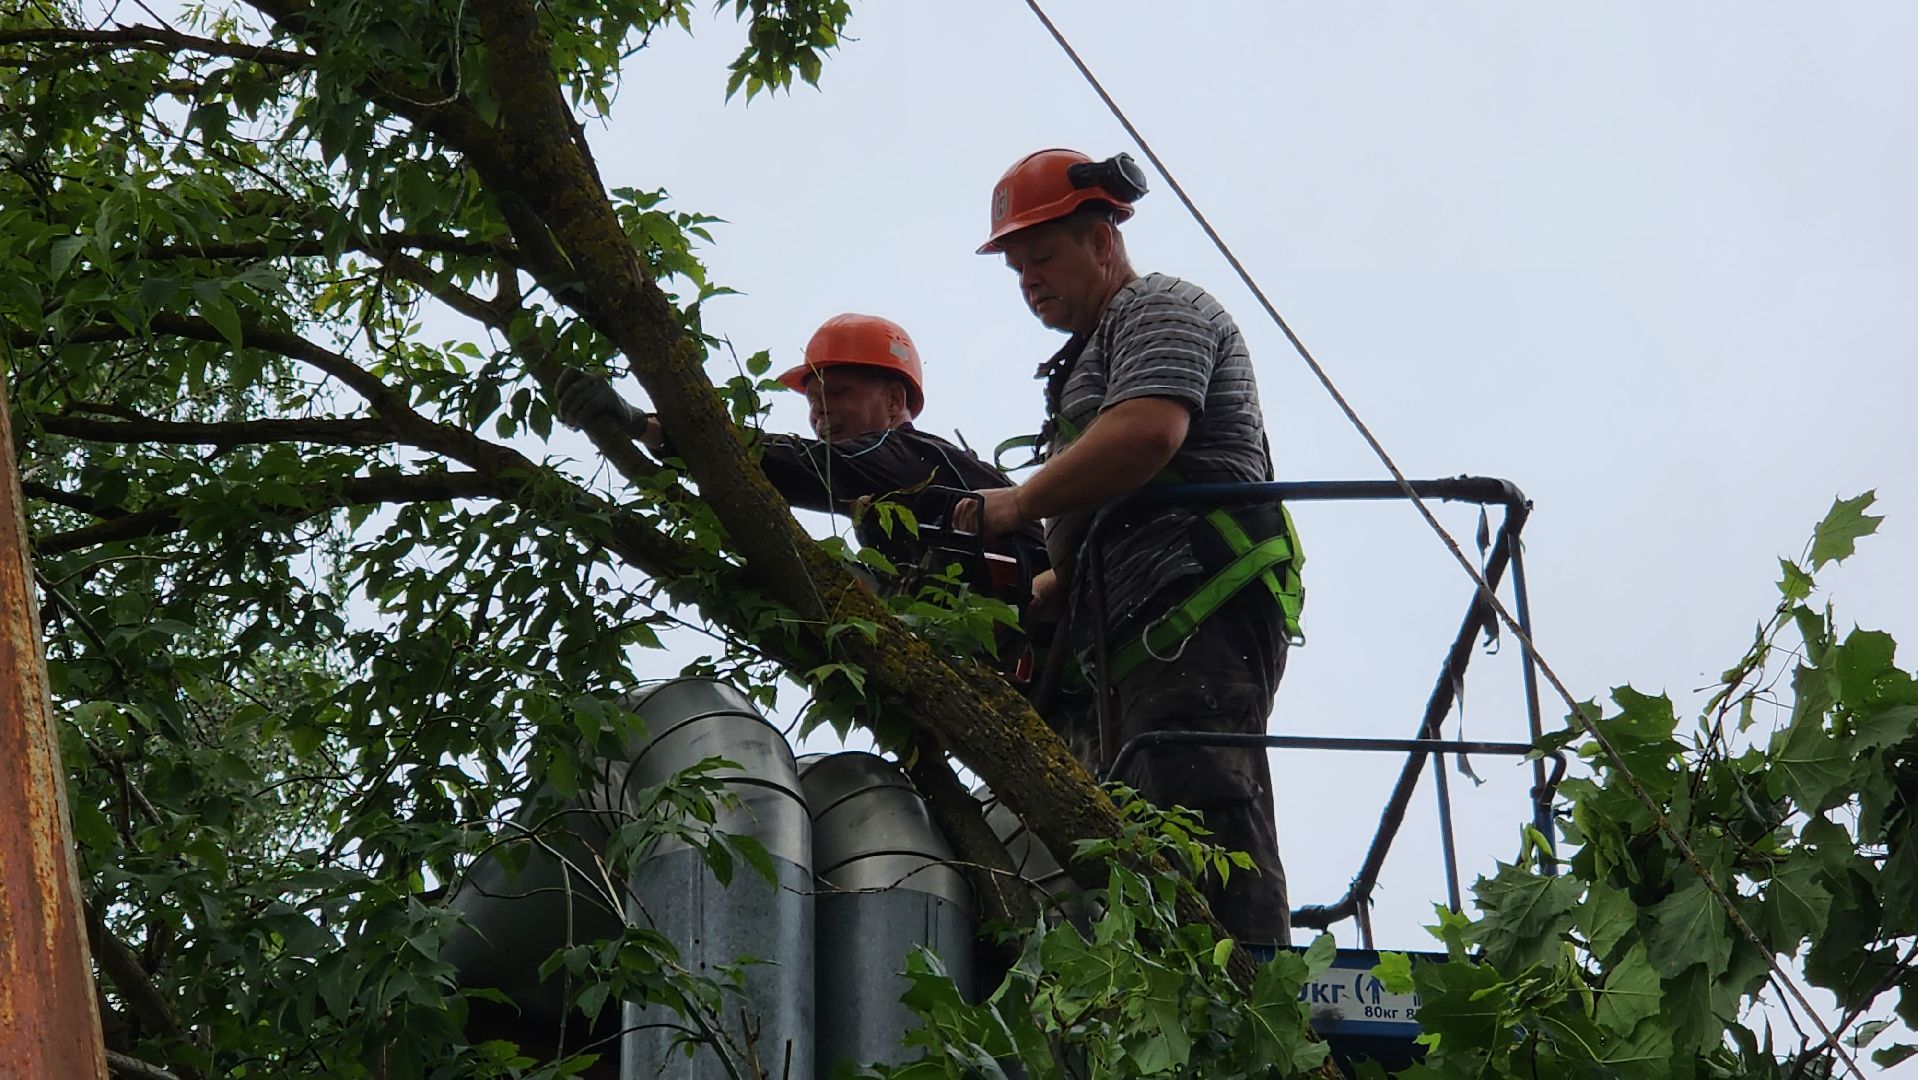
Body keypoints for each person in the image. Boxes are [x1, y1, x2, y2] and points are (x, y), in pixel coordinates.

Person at [956, 149, 1304, 947]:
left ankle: (1250, 1013)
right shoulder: (1092, 349)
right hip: (1125, 642)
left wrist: (1018, 504)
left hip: (1190, 614)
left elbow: (1148, 433)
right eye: (1016, 268)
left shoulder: (1163, 308)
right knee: (1136, 842)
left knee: (1204, 817)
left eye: (1041, 257)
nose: (1028, 280)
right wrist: (1049, 592)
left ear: (1102, 242)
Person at [557, 312, 1043, 589]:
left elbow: (806, 465)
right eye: (813, 402)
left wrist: (646, 425)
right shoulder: (897, 487)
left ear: (895, 401)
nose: (820, 414)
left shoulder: (911, 455)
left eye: (837, 395)